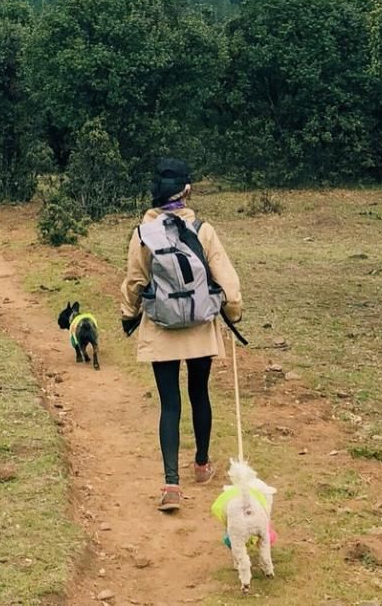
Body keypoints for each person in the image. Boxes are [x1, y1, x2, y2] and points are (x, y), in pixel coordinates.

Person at [120, 158, 243, 512]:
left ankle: (171, 485)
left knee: (169, 403)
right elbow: (228, 281)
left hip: (161, 328)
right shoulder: (203, 230)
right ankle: (202, 465)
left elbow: (134, 281)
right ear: (186, 190)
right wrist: (233, 312)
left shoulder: (143, 233)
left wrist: (128, 316)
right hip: (200, 327)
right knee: (199, 392)